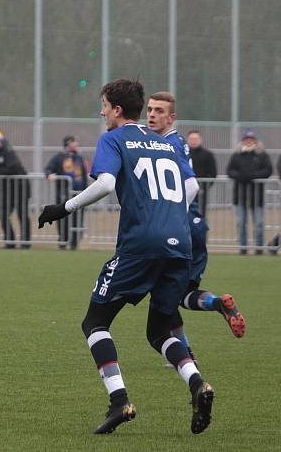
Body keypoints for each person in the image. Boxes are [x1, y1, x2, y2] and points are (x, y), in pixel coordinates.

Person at [38, 79, 214, 435]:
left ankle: (120, 402)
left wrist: (64, 207)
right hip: (179, 244)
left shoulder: (114, 138)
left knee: (94, 323)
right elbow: (190, 186)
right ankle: (198, 384)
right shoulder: (165, 142)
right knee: (160, 330)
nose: (101, 112)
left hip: (141, 246)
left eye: (103, 106)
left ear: (117, 110)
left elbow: (104, 184)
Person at [146, 92, 245, 369]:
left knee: (163, 295)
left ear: (171, 117)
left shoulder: (170, 143)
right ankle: (216, 303)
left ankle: (185, 353)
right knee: (180, 294)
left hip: (179, 230)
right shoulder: (169, 142)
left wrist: (168, 217)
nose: (152, 115)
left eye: (159, 111)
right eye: (150, 110)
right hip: (194, 226)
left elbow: (191, 187)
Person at [226, 131, 272, 255]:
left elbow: (268, 170)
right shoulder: (236, 155)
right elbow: (230, 171)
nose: (249, 141)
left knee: (259, 223)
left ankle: (259, 249)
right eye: (247, 139)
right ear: (243, 140)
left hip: (257, 197)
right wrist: (241, 176)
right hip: (240, 197)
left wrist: (253, 176)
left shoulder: (262, 155)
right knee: (241, 223)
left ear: (255, 141)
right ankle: (243, 248)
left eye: (251, 139)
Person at [0, 128, 31, 248]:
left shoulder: (9, 152)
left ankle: (26, 242)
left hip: (20, 188)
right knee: (2, 214)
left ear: (1, 140)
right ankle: (10, 241)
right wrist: (0, 172)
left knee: (22, 214)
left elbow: (12, 168)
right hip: (3, 190)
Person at [44, 135, 88, 249]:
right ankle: (63, 241)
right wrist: (49, 174)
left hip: (79, 193)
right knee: (63, 218)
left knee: (77, 218)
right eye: (74, 142)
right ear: (68, 144)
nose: (76, 144)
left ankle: (74, 243)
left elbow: (84, 174)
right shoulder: (59, 157)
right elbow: (48, 168)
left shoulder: (79, 158)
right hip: (64, 194)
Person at [186, 130, 217, 218]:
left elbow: (212, 174)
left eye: (196, 139)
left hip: (201, 193)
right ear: (188, 140)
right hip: (186, 192)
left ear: (200, 140)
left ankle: (201, 232)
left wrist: (204, 188)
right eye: (191, 139)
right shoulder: (183, 154)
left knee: (200, 216)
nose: (194, 141)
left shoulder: (208, 155)